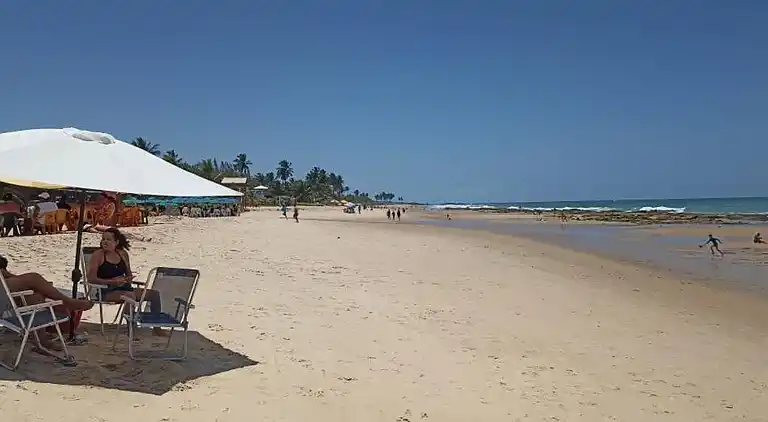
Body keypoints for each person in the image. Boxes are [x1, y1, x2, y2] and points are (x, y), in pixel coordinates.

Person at [86, 228, 166, 336]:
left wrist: (127, 278)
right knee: (129, 296)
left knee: (154, 294)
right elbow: (90, 278)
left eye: (108, 239)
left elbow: (128, 274)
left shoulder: (122, 254)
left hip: (124, 287)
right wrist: (112, 281)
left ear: (116, 242)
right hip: (106, 290)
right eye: (103, 239)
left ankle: (157, 327)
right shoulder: (98, 255)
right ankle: (131, 328)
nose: (104, 242)